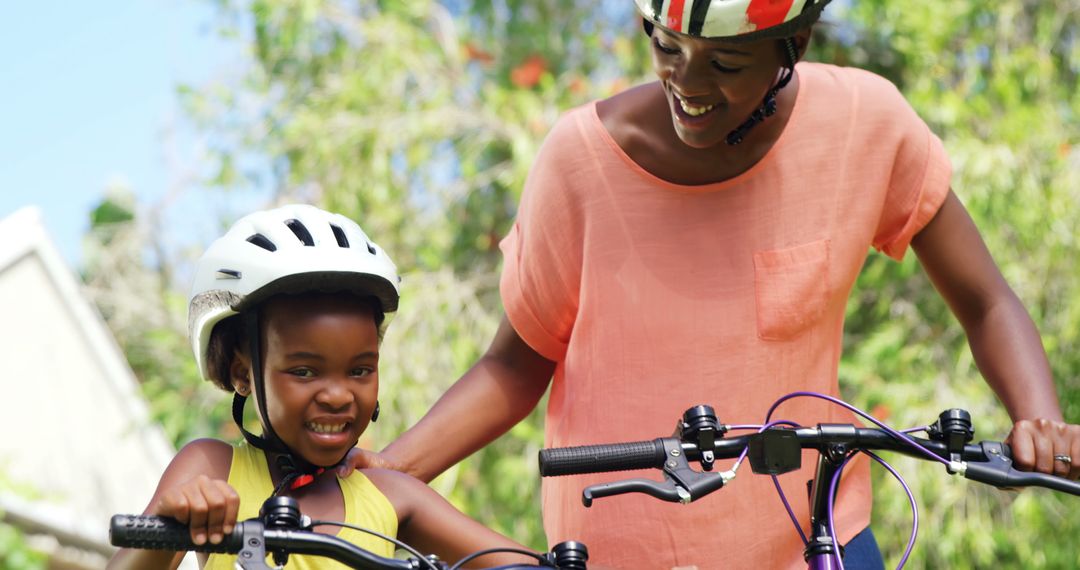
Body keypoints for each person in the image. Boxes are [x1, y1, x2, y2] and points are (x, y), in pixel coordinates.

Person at [343, 1, 1080, 568]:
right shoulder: (581, 162)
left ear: (794, 47)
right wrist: (386, 475)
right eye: (669, 48)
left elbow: (985, 299)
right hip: (617, 553)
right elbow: (516, 361)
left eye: (726, 64)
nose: (687, 84)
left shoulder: (865, 124)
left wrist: (1038, 417)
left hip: (819, 541)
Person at [107, 205, 538, 570]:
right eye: (305, 372)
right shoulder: (212, 469)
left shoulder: (389, 494)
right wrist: (167, 524)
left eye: (360, 371)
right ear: (243, 373)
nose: (337, 396)